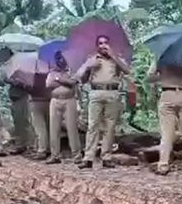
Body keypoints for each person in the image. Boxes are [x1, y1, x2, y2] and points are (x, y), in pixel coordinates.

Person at [74, 34, 130, 169]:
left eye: (105, 43)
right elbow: (79, 77)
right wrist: (88, 66)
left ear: (109, 45)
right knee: (93, 125)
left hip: (112, 93)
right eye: (100, 43)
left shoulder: (116, 58)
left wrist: (114, 57)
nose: (103, 45)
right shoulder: (92, 59)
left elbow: (127, 70)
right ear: (97, 46)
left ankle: (106, 157)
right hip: (96, 92)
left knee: (110, 126)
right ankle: (88, 158)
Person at [145, 60, 182, 176]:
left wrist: (163, 77)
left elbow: (149, 77)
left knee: (167, 133)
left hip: (168, 93)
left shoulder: (162, 57)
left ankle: (163, 165)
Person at [45, 51, 82, 164]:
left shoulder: (72, 70)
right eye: (58, 58)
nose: (60, 60)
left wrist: (58, 80)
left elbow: (73, 83)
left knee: (72, 128)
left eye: (62, 58)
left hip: (69, 100)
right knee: (54, 128)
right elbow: (48, 84)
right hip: (55, 100)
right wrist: (63, 82)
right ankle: (54, 155)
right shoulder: (52, 72)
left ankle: (77, 155)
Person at [28, 73, 51, 160]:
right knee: (49, 126)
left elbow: (29, 89)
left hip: (36, 102)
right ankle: (49, 148)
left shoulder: (32, 77)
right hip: (48, 101)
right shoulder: (48, 75)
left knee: (40, 127)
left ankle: (42, 150)